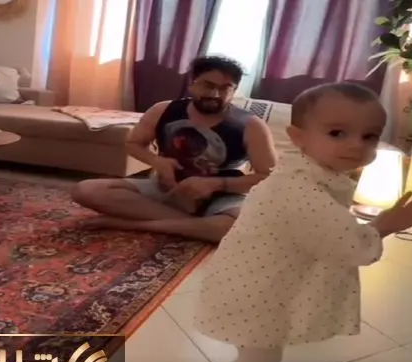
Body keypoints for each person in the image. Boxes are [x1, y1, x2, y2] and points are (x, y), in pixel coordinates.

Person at [193, 82, 412, 362]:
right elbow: (346, 243)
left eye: (370, 136)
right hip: (255, 290)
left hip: (261, 281)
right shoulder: (300, 190)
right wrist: (383, 226)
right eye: (337, 133)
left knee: (266, 348)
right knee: (256, 359)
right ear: (298, 137)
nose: (356, 145)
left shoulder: (311, 174)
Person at [71, 56, 277, 243]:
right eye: (208, 85)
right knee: (86, 190)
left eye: (225, 88)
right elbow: (133, 144)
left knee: (237, 227)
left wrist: (216, 183)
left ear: (234, 91)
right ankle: (196, 226)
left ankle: (133, 224)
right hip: (165, 189)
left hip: (221, 196)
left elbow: (268, 177)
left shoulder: (251, 126)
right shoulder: (162, 110)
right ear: (192, 84)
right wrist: (157, 161)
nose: (215, 94)